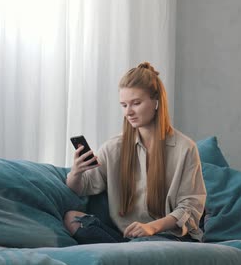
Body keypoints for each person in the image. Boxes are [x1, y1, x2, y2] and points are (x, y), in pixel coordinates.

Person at [64, 62, 206, 243]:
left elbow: (190, 209)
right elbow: (83, 187)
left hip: (166, 237)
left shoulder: (185, 148)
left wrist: (150, 228)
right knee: (73, 219)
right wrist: (76, 172)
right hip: (125, 238)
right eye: (123, 105)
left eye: (136, 103)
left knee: (147, 244)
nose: (128, 112)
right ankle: (123, 254)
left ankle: (121, 255)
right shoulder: (113, 147)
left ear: (156, 102)